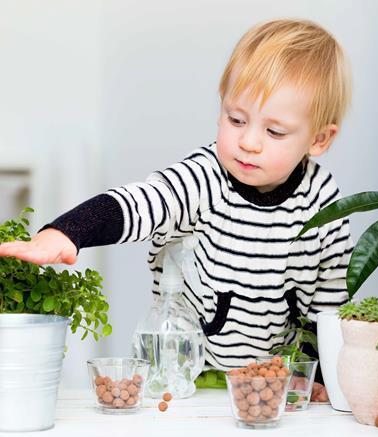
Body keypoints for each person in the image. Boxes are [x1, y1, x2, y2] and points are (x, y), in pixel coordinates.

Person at [0, 19, 353, 402]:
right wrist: (69, 230)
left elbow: (331, 296)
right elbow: (141, 202)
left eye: (275, 132)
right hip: (189, 380)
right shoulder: (202, 178)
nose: (248, 142)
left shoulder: (324, 200)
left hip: (274, 387)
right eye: (236, 119)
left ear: (318, 139)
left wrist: (316, 371)